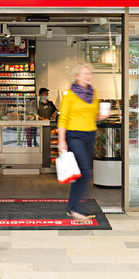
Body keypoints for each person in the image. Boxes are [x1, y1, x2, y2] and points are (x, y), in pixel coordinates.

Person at [57, 62, 109, 222]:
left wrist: (102, 116)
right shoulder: (69, 95)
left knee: (80, 173)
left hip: (90, 135)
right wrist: (61, 141)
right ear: (76, 76)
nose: (89, 76)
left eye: (90, 74)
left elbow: (92, 115)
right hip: (75, 136)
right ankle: (77, 210)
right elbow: (63, 118)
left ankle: (71, 208)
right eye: (86, 74)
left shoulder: (94, 93)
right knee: (85, 172)